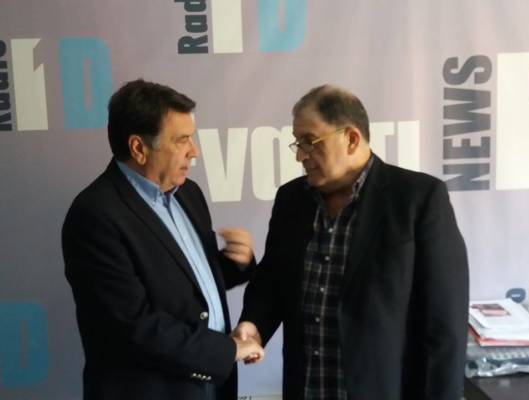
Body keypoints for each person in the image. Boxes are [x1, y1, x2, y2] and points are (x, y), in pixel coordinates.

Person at [235, 85, 469, 400]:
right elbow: (273, 280)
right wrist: (255, 323)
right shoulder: (292, 199)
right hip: (308, 389)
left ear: (351, 138)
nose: (300, 155)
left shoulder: (418, 199)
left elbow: (444, 326)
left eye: (310, 142)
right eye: (298, 143)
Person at [62, 79, 263, 400]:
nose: (194, 151)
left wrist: (235, 263)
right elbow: (133, 326)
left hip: (211, 387)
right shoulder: (95, 215)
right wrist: (227, 350)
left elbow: (183, 286)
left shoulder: (189, 193)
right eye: (181, 140)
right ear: (139, 148)